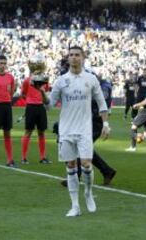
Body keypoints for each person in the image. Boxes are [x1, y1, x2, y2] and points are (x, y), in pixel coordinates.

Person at [48, 46, 111, 217]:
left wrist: (105, 124)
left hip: (84, 129)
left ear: (83, 58)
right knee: (70, 166)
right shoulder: (61, 80)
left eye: (77, 55)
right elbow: (49, 105)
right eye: (71, 55)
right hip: (66, 130)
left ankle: (88, 192)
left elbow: (101, 102)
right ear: (68, 58)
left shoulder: (91, 79)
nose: (74, 58)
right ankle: (75, 206)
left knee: (86, 164)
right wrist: (40, 93)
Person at [20, 55, 51, 164]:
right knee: (28, 132)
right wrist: (30, 101)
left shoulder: (45, 80)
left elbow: (45, 94)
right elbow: (23, 94)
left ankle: (42, 157)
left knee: (41, 132)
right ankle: (23, 158)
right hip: (31, 107)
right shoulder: (27, 81)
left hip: (41, 108)